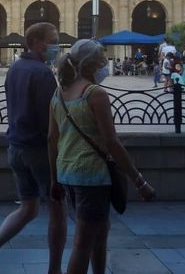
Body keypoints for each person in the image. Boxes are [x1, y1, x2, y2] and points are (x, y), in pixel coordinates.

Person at [49, 39, 155, 274]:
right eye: (102, 58)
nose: (105, 63)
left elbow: (51, 139)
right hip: (91, 175)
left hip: (67, 173)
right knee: (83, 243)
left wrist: (54, 179)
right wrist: (139, 181)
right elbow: (112, 142)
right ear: (90, 64)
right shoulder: (95, 94)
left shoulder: (59, 93)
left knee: (100, 229)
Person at [0, 22, 65, 274]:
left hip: (15, 146)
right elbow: (50, 121)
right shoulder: (42, 73)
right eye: (53, 40)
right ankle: (54, 269)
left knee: (28, 208)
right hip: (38, 150)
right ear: (36, 43)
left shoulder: (14, 68)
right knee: (57, 209)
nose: (56, 45)